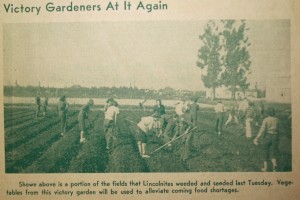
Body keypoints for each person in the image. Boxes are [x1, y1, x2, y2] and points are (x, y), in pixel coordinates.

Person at [253, 107, 279, 172]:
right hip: (275, 136)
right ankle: (274, 166)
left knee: (265, 151)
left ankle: (265, 168)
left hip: (267, 136)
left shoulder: (266, 119)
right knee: (273, 152)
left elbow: (262, 130)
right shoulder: (277, 120)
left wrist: (256, 138)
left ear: (268, 113)